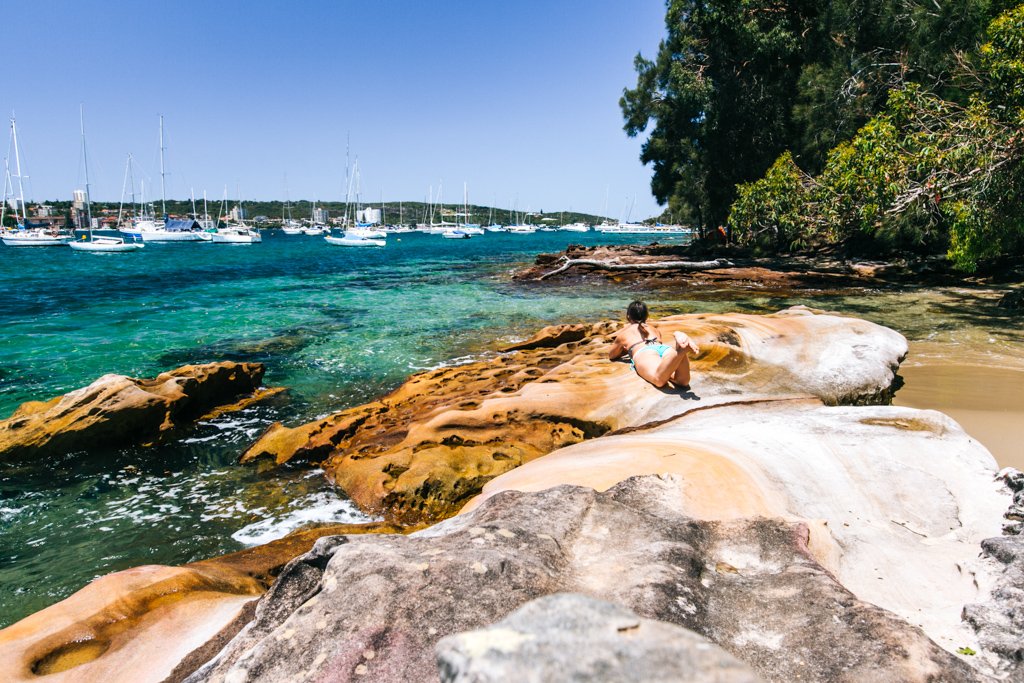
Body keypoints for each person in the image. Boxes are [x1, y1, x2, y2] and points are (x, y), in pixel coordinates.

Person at [607, 300, 699, 388]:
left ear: (628, 317)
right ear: (647, 316)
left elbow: (612, 355)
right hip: (664, 349)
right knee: (682, 382)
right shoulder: (654, 329)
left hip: (645, 352)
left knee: (658, 380)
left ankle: (680, 352)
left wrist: (626, 350)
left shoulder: (625, 332)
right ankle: (680, 351)